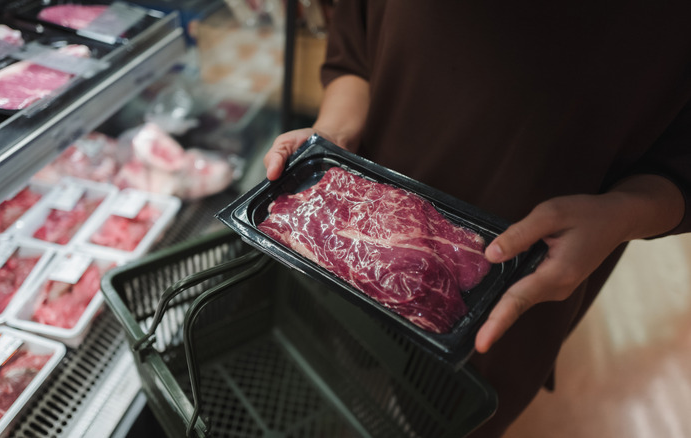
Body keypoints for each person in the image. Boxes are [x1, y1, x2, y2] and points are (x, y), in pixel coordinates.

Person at [263, 1, 691, 436]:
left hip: (521, 272)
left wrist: (626, 214)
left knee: (439, 415)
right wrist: (335, 131)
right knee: (346, 355)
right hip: (349, 230)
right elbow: (355, 48)